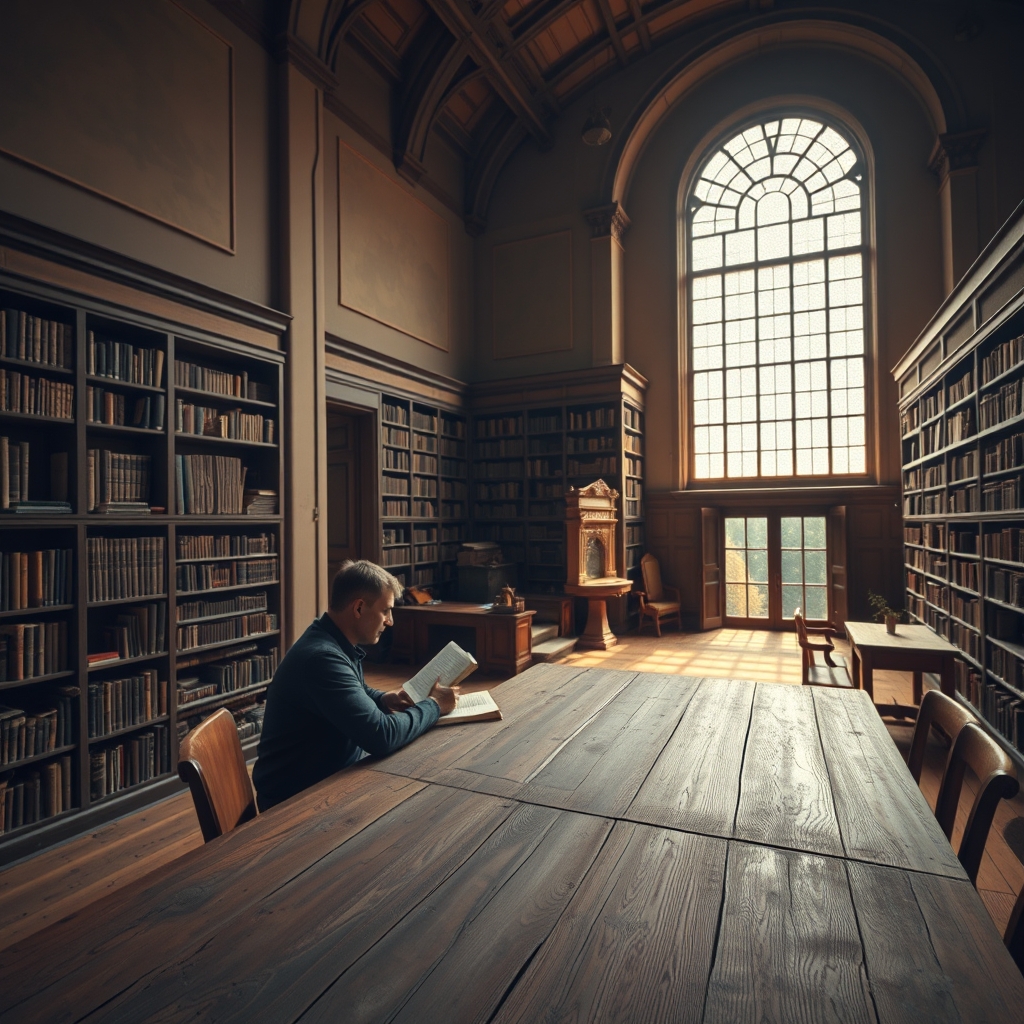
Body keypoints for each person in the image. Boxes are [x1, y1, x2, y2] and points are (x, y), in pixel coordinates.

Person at [252, 560, 459, 810]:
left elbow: (352, 690)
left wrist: (383, 699)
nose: (390, 621)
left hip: (328, 778)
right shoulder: (322, 658)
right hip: (298, 803)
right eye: (386, 611)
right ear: (359, 608)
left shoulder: (331, 641)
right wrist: (435, 705)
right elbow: (382, 736)